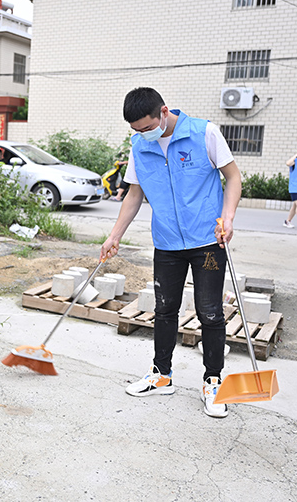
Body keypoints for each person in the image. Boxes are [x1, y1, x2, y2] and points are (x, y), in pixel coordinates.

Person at [100, 87, 242, 418]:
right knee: (164, 310)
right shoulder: (139, 145)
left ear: (163, 112)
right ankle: (162, 375)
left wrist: (229, 217)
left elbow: (233, 177)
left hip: (208, 240)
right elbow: (134, 194)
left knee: (210, 313)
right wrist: (114, 236)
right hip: (166, 243)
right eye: (135, 131)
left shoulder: (204, 132)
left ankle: (213, 382)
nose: (142, 135)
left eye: (147, 128)